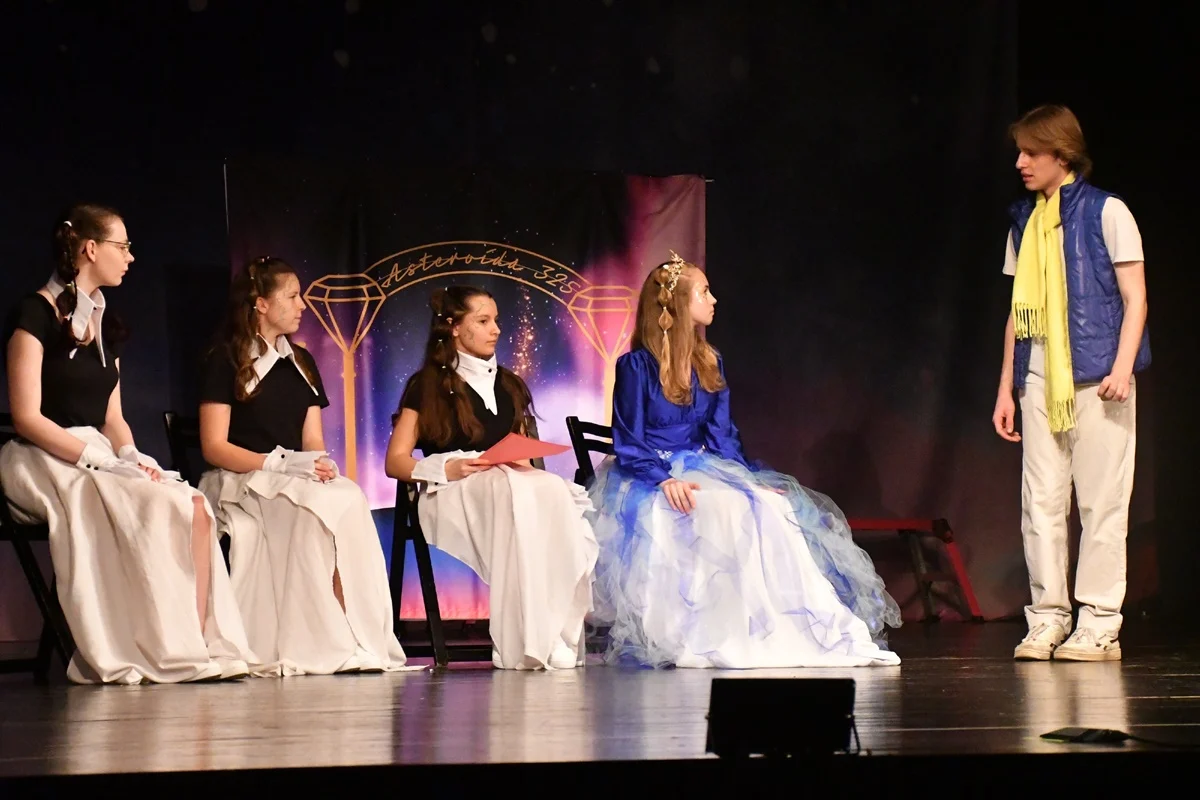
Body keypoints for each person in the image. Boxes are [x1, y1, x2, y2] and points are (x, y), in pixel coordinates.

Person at [585, 252, 902, 669]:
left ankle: (779, 627)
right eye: (704, 292)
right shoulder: (637, 367)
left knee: (770, 503)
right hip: (650, 471)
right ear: (677, 304)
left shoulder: (709, 360)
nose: (713, 299)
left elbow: (721, 435)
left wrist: (745, 478)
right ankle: (712, 631)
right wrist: (663, 478)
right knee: (718, 507)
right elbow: (629, 438)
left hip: (698, 465)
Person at [0, 204, 255, 684]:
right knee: (142, 504)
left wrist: (131, 456)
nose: (130, 257)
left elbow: (113, 418)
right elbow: (27, 417)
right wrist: (98, 461)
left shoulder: (107, 326)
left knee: (190, 503)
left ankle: (195, 640)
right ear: (90, 249)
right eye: (123, 246)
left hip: (96, 450)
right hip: (42, 454)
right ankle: (152, 644)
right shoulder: (35, 314)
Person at [198, 256, 411, 676]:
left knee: (347, 496)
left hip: (291, 474)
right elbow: (214, 446)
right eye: (292, 296)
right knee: (313, 509)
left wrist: (319, 464)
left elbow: (312, 439)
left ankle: (356, 635)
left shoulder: (301, 361)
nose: (302, 305)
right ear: (261, 304)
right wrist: (275, 463)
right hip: (243, 478)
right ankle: (319, 641)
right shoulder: (225, 360)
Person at [992, 105, 1149, 662]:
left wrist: (1122, 367)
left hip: (1099, 379)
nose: (1021, 162)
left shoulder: (1109, 211)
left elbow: (1135, 298)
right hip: (1038, 381)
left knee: (1102, 504)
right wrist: (1007, 386)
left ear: (1062, 154)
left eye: (1031, 152)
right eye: (1019, 152)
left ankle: (1099, 622)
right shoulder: (1023, 222)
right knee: (1040, 503)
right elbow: (1017, 313)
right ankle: (1048, 618)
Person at [384, 285, 598, 670]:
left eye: (496, 320)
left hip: (506, 482)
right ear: (453, 328)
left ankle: (554, 629)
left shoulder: (509, 383)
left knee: (551, 490)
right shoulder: (426, 386)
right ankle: (526, 639)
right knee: (514, 493)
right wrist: (444, 469)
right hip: (451, 488)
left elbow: (522, 455)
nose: (496, 329)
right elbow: (395, 462)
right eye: (483, 321)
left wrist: (523, 468)